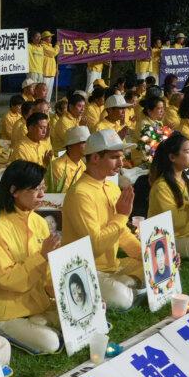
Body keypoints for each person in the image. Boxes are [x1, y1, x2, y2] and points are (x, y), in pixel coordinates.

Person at [0, 161, 61, 355]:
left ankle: (40, 322)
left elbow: (49, 273)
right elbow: (7, 280)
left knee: (84, 315)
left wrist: (67, 296)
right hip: (5, 309)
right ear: (14, 191)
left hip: (36, 303)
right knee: (50, 342)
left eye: (43, 187)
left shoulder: (39, 222)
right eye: (36, 189)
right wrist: (41, 256)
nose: (42, 194)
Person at [61, 130, 143, 310]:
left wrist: (145, 254)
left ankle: (125, 284)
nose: (121, 163)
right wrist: (122, 216)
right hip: (87, 269)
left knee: (154, 264)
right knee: (122, 299)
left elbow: (122, 233)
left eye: (121, 157)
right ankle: (126, 287)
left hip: (113, 266)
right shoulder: (80, 194)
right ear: (96, 158)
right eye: (114, 157)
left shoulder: (111, 187)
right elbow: (95, 245)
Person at [148, 132, 189, 260]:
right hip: (166, 238)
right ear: (172, 157)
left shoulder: (184, 180)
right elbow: (175, 222)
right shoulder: (162, 187)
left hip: (185, 235)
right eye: (187, 151)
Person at [45, 125, 89, 193]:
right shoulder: (58, 167)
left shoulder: (81, 164)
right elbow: (66, 195)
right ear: (70, 146)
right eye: (83, 142)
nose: (87, 145)